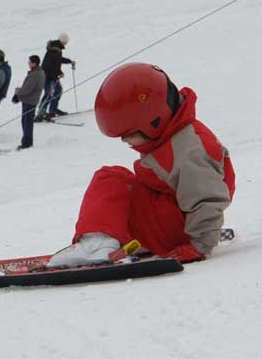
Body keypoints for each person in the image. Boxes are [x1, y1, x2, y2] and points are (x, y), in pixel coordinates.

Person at [47, 63, 235, 268]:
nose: (124, 141)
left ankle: (96, 246)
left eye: (128, 134)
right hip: (172, 222)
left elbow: (207, 198)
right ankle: (112, 240)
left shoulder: (190, 148)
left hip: (179, 229)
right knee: (127, 186)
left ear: (152, 120)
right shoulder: (175, 136)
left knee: (112, 179)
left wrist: (199, 244)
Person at [35, 33, 76, 122]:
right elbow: (49, 65)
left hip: (52, 75)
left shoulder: (56, 49)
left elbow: (58, 60)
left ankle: (52, 110)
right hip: (48, 76)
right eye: (65, 42)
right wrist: (59, 72)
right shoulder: (55, 50)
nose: (66, 44)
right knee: (48, 94)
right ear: (63, 41)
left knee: (58, 90)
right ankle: (40, 114)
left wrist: (69, 61)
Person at [12, 55, 46, 150]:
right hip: (30, 100)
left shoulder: (36, 74)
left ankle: (27, 143)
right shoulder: (37, 72)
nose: (28, 63)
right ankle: (27, 141)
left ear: (34, 63)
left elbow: (27, 89)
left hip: (30, 101)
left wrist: (17, 95)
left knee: (26, 121)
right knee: (26, 121)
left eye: (30, 62)